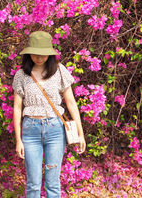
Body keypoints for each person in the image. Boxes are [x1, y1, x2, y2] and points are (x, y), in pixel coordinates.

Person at [12, 31, 86, 198]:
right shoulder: (21, 75)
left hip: (55, 130)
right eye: (36, 54)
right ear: (28, 53)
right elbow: (17, 108)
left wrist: (81, 134)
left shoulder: (59, 71)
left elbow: (71, 103)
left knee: (53, 183)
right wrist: (19, 140)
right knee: (33, 184)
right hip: (30, 131)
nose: (39, 58)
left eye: (44, 54)